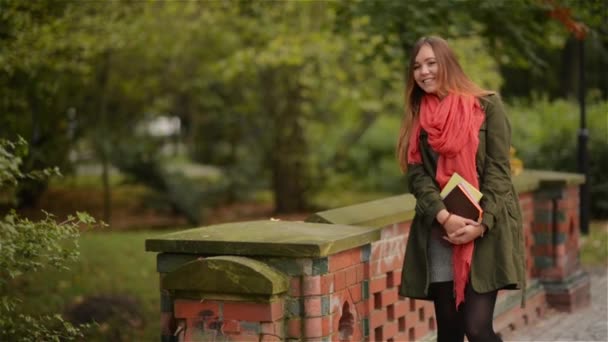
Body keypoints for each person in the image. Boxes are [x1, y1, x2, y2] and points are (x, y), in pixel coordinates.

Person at [396, 36, 525, 342]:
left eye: (431, 63)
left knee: (477, 328)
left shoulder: (487, 105)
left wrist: (482, 224)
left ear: (448, 64)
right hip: (441, 230)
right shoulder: (417, 115)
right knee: (450, 332)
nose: (424, 72)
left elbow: (498, 172)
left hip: (487, 229)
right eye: (417, 66)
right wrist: (444, 217)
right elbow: (417, 177)